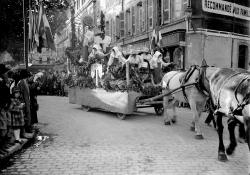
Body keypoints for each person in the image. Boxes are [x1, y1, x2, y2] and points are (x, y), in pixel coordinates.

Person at [0, 64, 11, 156]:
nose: (6, 73)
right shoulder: (1, 82)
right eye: (5, 72)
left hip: (5, 107)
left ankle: (3, 147)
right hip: (2, 107)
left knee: (5, 128)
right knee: (2, 129)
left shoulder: (4, 81)